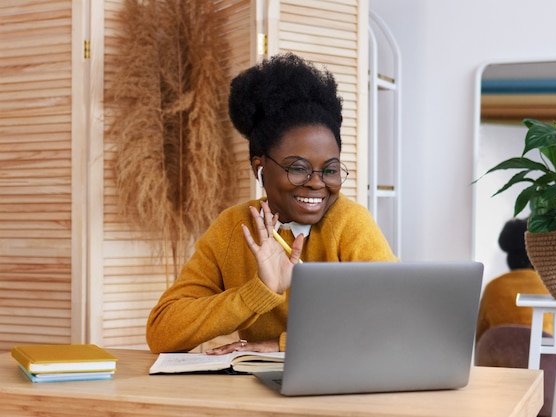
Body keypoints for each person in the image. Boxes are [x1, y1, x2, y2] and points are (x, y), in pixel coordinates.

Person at [146, 53, 397, 354]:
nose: (317, 182)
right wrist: (258, 292)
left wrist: (279, 346)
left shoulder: (349, 223)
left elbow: (393, 322)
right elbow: (162, 331)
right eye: (298, 167)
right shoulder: (234, 228)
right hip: (256, 394)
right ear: (259, 168)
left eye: (329, 169)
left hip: (338, 392)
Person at [475, 218, 553, 342]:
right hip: (543, 360)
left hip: (497, 359)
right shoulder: (548, 287)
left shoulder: (493, 288)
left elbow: (480, 336)